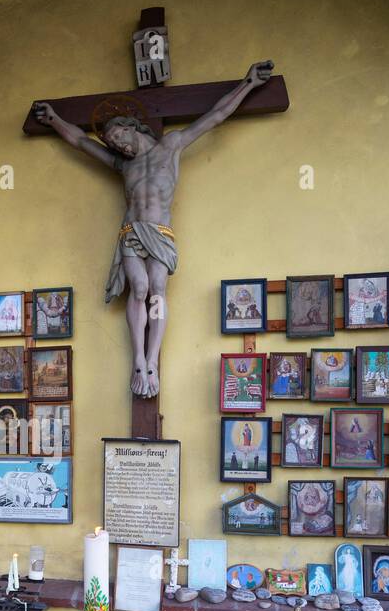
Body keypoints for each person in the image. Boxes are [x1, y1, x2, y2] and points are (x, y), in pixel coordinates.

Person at [33, 59, 273, 397]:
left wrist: (248, 83)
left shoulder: (170, 146)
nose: (119, 145)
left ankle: (151, 359)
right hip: (132, 232)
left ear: (134, 128)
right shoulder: (122, 165)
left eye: (120, 137)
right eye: (114, 143)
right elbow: (81, 143)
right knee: (140, 287)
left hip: (160, 233)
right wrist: (55, 119)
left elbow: (215, 116)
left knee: (158, 287)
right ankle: (138, 361)